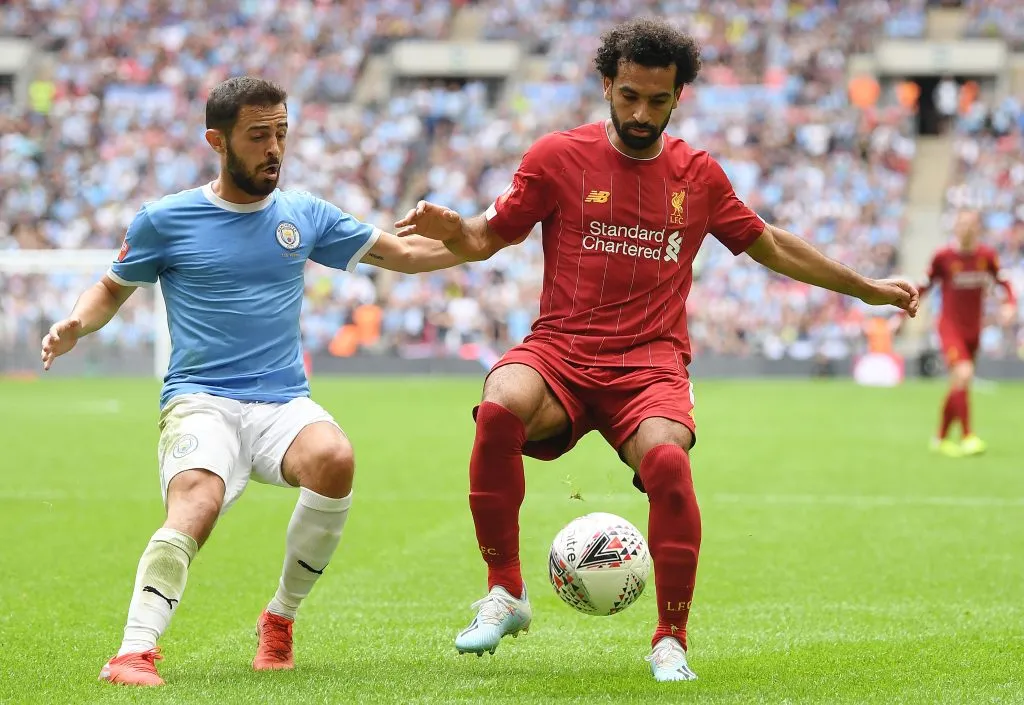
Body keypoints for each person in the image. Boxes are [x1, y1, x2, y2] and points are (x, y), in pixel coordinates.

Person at [394, 18, 919, 683]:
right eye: (629, 97)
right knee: (500, 405)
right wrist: (454, 229)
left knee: (669, 462)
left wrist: (866, 288)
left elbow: (772, 245)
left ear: (678, 97)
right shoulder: (556, 157)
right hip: (560, 352)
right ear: (606, 85)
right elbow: (482, 239)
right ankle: (506, 591)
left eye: (657, 100)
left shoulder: (698, 176)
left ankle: (671, 638)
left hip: (649, 364)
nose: (641, 114)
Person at [40, 76, 466, 687]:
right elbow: (112, 287)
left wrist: (487, 233)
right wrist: (76, 325)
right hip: (200, 399)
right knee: (198, 499)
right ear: (217, 141)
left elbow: (406, 254)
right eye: (258, 135)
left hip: (281, 402)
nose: (274, 149)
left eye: (282, 133)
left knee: (334, 457)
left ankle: (280, 618)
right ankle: (133, 652)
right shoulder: (166, 219)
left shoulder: (304, 214)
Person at [917, 209, 1016, 457]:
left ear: (978, 227)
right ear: (955, 227)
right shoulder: (943, 257)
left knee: (959, 382)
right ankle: (967, 436)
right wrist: (902, 312)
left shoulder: (987, 256)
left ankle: (940, 438)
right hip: (950, 327)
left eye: (971, 224)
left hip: (973, 329)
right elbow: (924, 285)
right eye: (961, 223)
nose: (966, 228)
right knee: (963, 373)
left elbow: (1004, 283)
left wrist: (1010, 304)